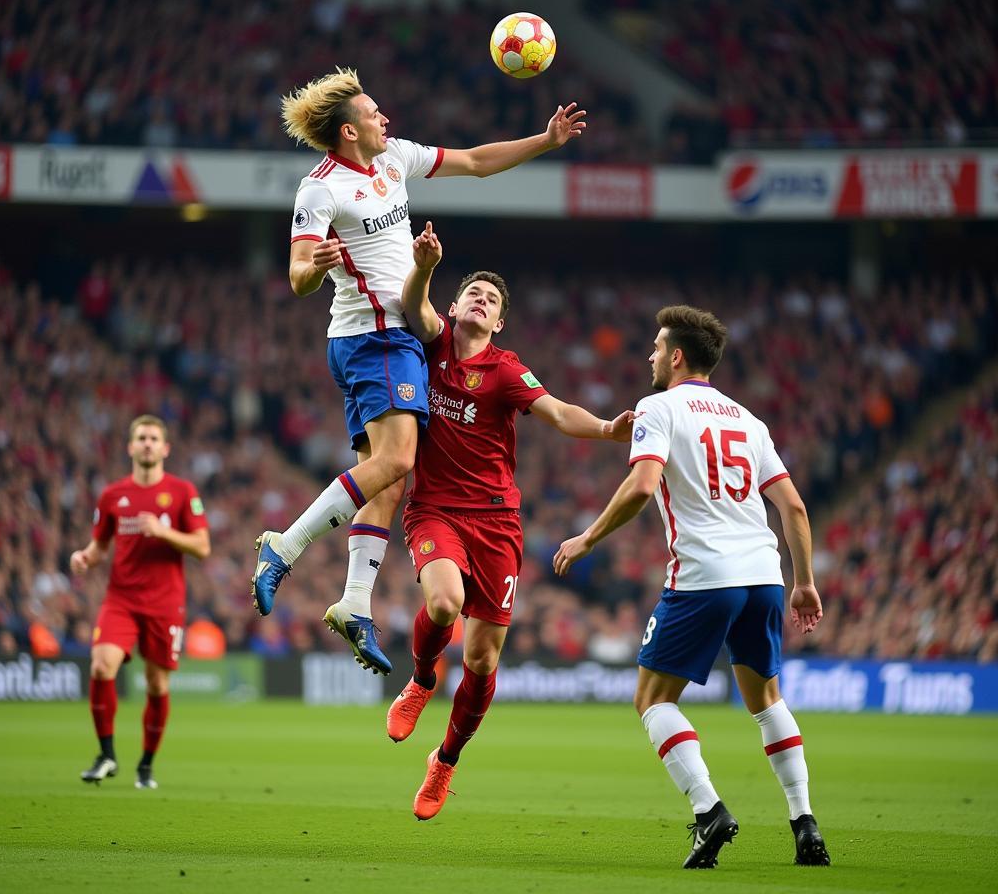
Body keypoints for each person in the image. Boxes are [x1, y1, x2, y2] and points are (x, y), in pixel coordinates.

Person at [252, 67, 587, 677]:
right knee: (400, 461)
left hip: (382, 339)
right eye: (376, 114)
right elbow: (298, 274)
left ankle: (355, 603)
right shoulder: (319, 189)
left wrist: (545, 141)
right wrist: (318, 263)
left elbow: (478, 162)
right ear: (349, 131)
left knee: (384, 482)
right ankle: (286, 544)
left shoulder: (395, 161)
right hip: (376, 336)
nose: (388, 121)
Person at [553, 305, 830, 870]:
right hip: (764, 577)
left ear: (677, 356)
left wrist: (587, 538)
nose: (651, 356)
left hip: (706, 576)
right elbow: (794, 508)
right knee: (767, 700)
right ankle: (805, 824)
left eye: (656, 348)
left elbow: (642, 484)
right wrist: (803, 582)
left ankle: (709, 812)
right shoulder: (750, 421)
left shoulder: (659, 407)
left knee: (652, 699)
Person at [386, 221, 637, 820]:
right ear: (455, 304)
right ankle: (421, 679)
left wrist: (604, 428)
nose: (481, 300)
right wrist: (423, 263)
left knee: (482, 660)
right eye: (473, 291)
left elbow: (554, 411)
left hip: (497, 523)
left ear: (500, 322)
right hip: (436, 508)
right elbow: (412, 306)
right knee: (443, 604)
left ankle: (443, 763)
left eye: (492, 299)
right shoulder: (432, 340)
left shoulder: (504, 369)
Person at [71, 415, 210, 790]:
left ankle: (146, 765)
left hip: (165, 603)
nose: (147, 444)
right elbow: (100, 546)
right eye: (141, 438)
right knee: (102, 667)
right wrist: (85, 557)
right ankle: (106, 755)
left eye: (153, 438)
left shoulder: (182, 492)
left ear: (165, 448)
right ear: (130, 447)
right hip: (121, 598)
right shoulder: (112, 495)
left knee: (156, 684)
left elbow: (202, 546)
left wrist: (163, 531)